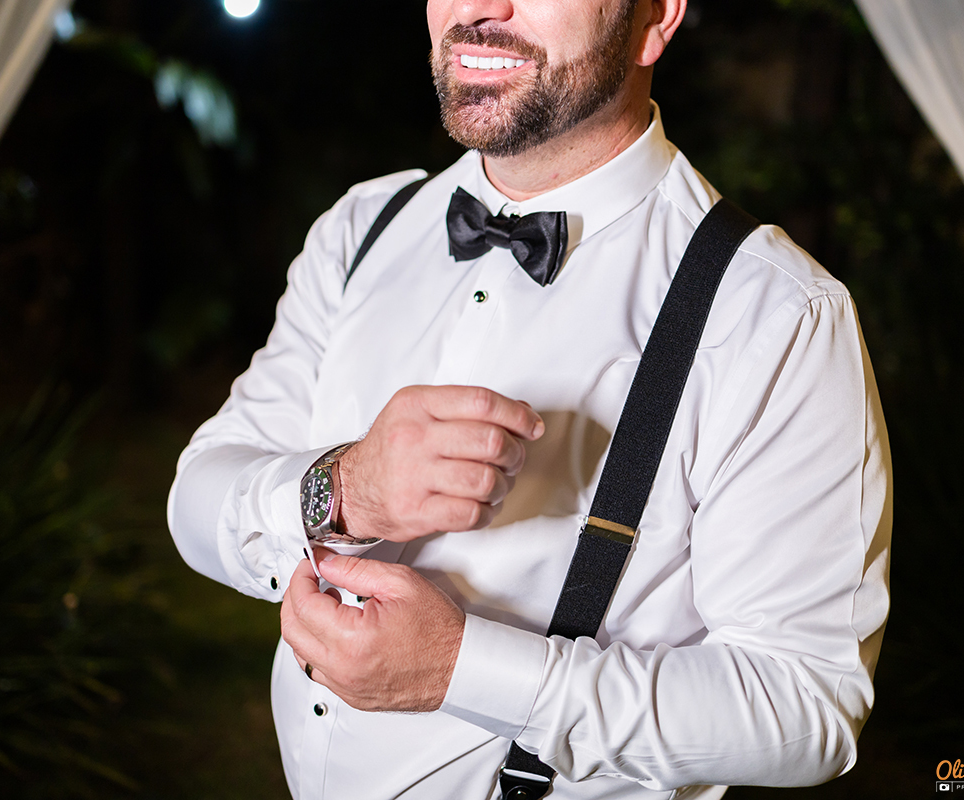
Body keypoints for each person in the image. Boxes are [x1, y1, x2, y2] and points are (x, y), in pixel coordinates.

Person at [167, 0, 892, 797]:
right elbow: (196, 500)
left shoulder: (774, 315)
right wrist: (345, 490)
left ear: (656, 18)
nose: (479, 9)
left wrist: (462, 669)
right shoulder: (362, 228)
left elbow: (805, 707)